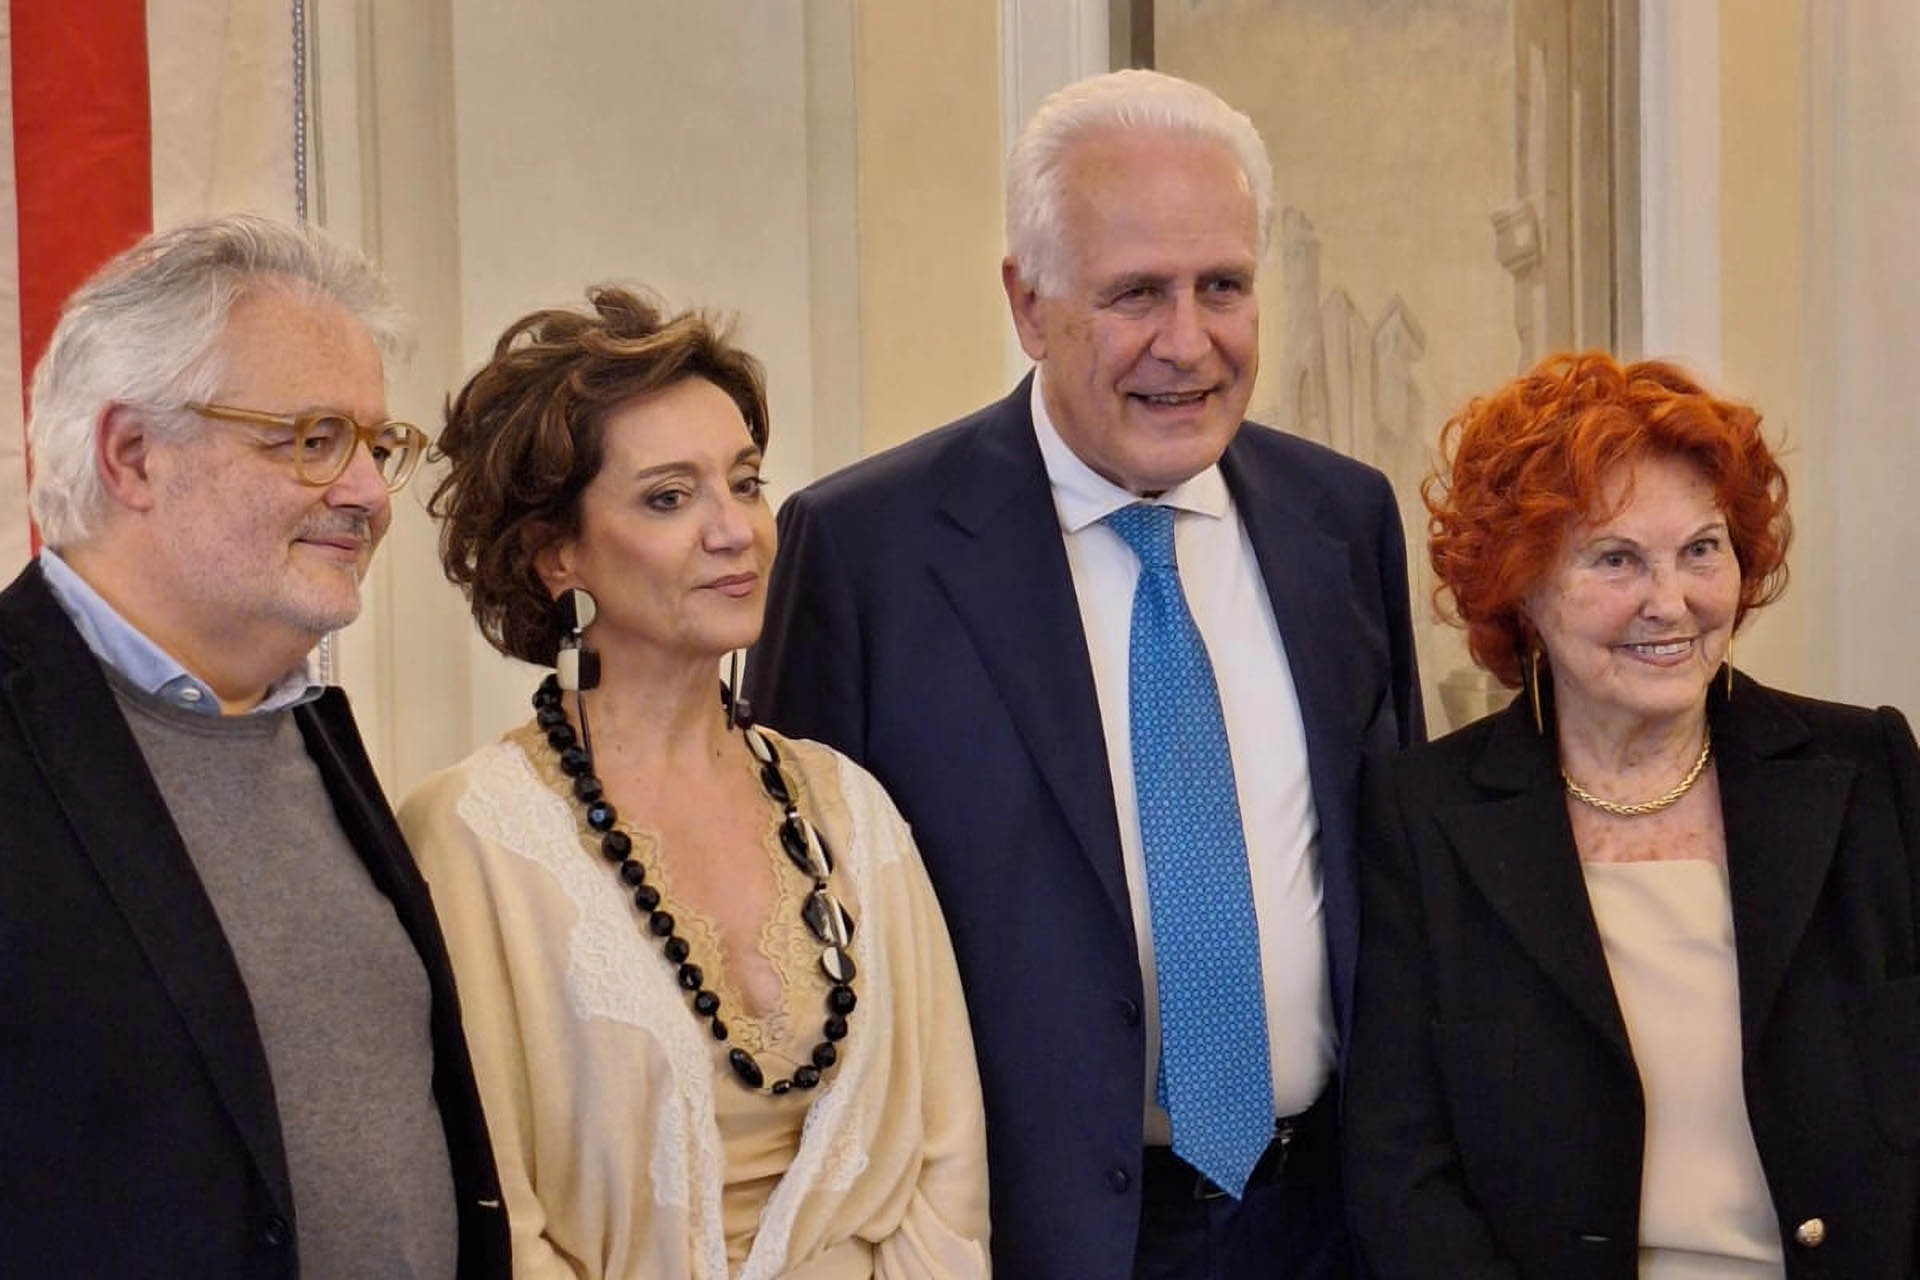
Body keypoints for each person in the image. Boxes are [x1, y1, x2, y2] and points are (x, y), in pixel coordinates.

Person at [748, 69, 1423, 1278]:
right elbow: (798, 943)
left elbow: (1395, 887)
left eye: (1223, 286)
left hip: (1332, 1224)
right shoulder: (865, 553)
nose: (1188, 341)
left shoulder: (1344, 523)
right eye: (1134, 294)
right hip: (1024, 1238)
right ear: (1027, 300)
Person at [401, 285, 990, 1278]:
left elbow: (948, 1169)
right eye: (670, 497)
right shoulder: (472, 834)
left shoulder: (854, 807)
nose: (736, 530)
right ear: (556, 555)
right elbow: (501, 1214)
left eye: (746, 483)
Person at [0, 214, 508, 1277]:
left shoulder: (309, 735)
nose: (369, 492)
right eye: (314, 438)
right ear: (133, 454)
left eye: (377, 444)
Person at [1343, 351, 1920, 1278]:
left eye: (1702, 549)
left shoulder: (1865, 771)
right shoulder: (1424, 816)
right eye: (1616, 559)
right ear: (1520, 588)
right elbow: (1401, 1172)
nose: (1672, 602)